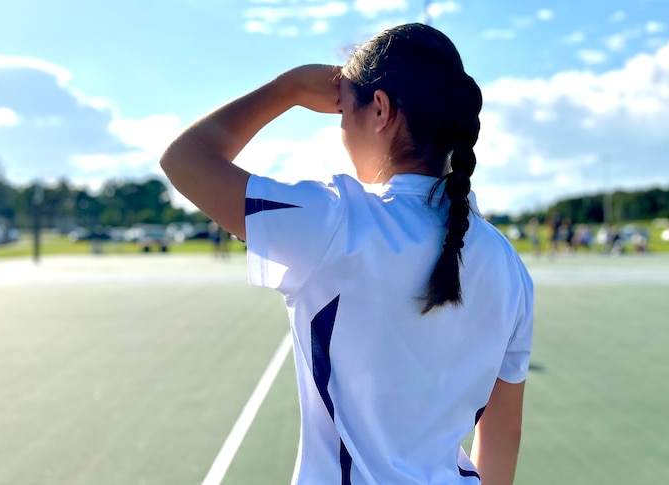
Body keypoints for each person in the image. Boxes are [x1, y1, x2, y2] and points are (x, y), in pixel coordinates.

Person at [160, 23, 534, 485]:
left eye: (342, 111)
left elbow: (184, 159)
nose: (340, 130)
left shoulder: (336, 221)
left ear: (380, 110)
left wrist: (290, 88)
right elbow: (502, 435)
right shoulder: (508, 264)